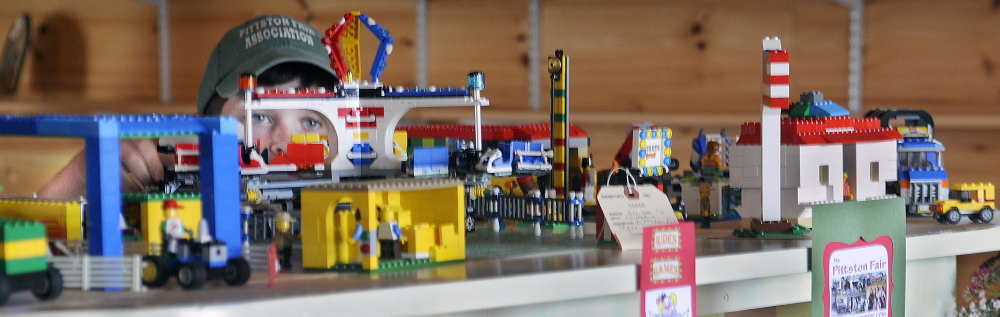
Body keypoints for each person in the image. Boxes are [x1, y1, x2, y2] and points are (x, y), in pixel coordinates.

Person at [37, 15, 339, 199]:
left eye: (312, 122)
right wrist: (78, 178)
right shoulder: (174, 198)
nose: (284, 144)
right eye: (259, 116)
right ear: (204, 126)